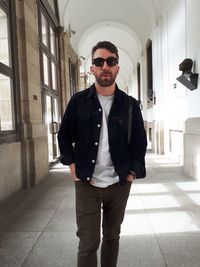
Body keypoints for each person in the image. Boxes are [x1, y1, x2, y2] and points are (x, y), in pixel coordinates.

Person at [58, 41, 147, 267]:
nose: (105, 66)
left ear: (118, 67)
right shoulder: (78, 102)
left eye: (111, 61)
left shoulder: (130, 105)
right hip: (87, 181)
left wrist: (132, 173)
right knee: (88, 243)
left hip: (119, 183)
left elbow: (139, 143)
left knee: (111, 237)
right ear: (92, 69)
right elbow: (64, 136)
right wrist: (72, 166)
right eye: (99, 62)